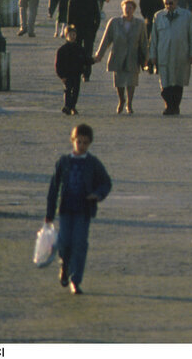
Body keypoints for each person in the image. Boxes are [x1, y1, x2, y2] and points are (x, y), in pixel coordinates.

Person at [45, 124, 112, 295]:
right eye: (78, 141)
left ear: (90, 143)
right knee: (64, 242)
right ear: (72, 141)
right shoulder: (63, 162)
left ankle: (76, 281)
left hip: (83, 211)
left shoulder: (92, 163)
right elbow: (54, 188)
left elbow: (106, 182)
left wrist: (97, 194)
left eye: (85, 143)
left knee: (80, 244)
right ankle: (65, 266)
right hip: (65, 210)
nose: (81, 145)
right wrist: (49, 213)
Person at [94, 0, 148, 114]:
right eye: (126, 8)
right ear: (122, 8)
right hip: (118, 54)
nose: (128, 10)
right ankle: (121, 100)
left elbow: (144, 42)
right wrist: (99, 54)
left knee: (132, 81)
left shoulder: (139, 24)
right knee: (119, 81)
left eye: (130, 8)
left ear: (134, 10)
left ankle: (129, 103)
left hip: (133, 56)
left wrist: (146, 58)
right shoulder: (114, 22)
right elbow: (106, 39)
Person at [150, 0, 192, 115]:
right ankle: (168, 105)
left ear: (176, 1)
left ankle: (174, 107)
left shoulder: (186, 15)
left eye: (171, 3)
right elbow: (154, 37)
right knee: (165, 83)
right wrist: (152, 55)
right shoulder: (158, 16)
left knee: (178, 81)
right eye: (166, 3)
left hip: (180, 53)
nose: (168, 6)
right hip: (164, 53)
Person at [139, 0, 174, 73]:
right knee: (164, 41)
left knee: (151, 41)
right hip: (167, 17)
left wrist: (146, 16)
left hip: (151, 16)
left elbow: (142, 3)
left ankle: (150, 63)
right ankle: (160, 64)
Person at [55, 25, 93, 115]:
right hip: (67, 75)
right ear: (66, 36)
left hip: (77, 74)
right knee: (67, 90)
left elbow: (85, 60)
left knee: (76, 91)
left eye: (74, 34)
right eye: (70, 34)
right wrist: (61, 76)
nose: (72, 36)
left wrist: (93, 60)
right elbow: (58, 64)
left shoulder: (79, 48)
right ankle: (67, 106)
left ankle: (72, 107)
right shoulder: (62, 50)